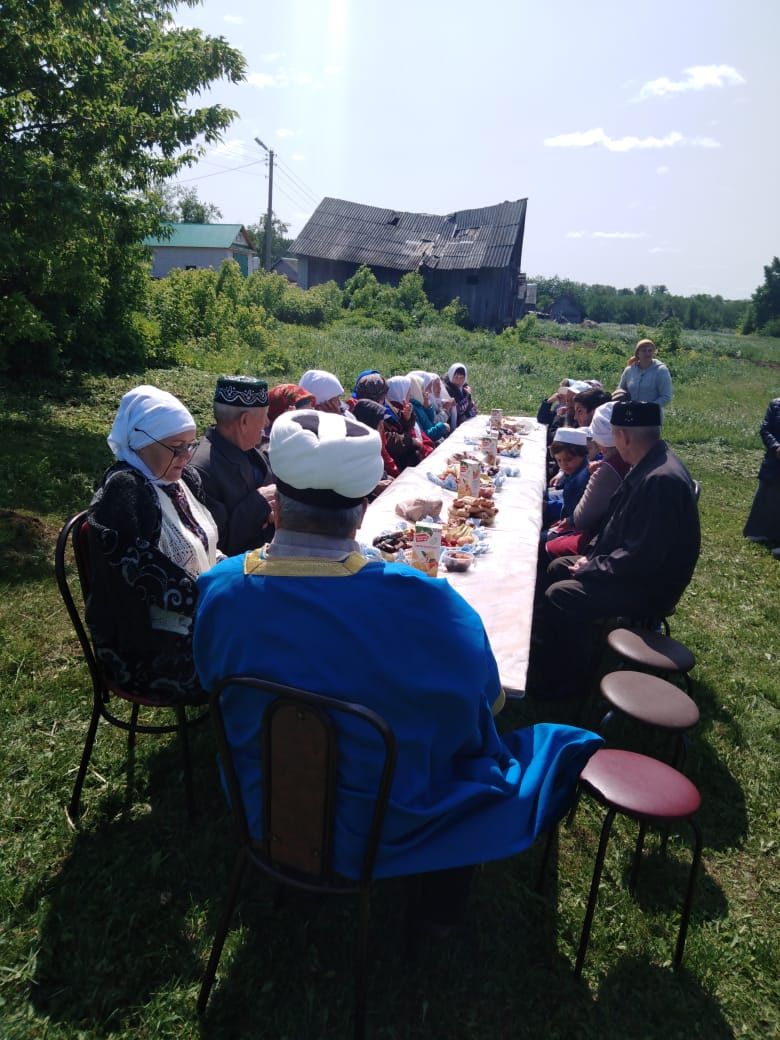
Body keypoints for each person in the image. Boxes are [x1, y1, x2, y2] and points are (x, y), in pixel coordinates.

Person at [193, 409, 602, 895]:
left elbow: (211, 684)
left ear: (275, 504)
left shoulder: (218, 590)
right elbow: (483, 711)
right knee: (528, 752)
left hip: (261, 806)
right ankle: (437, 909)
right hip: (384, 824)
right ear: (364, 510)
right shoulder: (428, 602)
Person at [536, 401, 700, 699]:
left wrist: (591, 567)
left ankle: (565, 681)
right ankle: (551, 650)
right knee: (556, 567)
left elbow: (644, 557)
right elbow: (623, 533)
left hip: (648, 588)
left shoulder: (661, 480)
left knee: (560, 594)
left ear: (623, 435)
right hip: (629, 568)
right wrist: (592, 558)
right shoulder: (652, 462)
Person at [86, 385, 220, 704]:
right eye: (176, 447)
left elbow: (205, 546)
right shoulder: (124, 492)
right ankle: (252, 738)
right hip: (142, 648)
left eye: (191, 445)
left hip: (190, 616)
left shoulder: (183, 480)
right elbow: (149, 579)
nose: (187, 457)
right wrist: (219, 600)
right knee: (250, 643)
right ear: (141, 443)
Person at [190, 376, 276, 557]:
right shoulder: (201, 469)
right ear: (244, 421)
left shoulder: (253, 450)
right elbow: (216, 540)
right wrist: (259, 503)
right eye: (264, 416)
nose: (267, 422)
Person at [545, 402, 631, 558]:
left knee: (543, 543)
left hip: (587, 533)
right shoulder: (606, 465)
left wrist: (568, 518)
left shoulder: (605, 470)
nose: (563, 465)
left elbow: (582, 518)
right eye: (559, 461)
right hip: (585, 526)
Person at [743, 397, 780, 557]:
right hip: (774, 460)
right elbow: (765, 429)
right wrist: (776, 447)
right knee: (766, 496)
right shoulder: (776, 404)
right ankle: (759, 533)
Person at [543, 428, 590, 529]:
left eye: (568, 459)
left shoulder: (582, 478)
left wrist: (549, 506)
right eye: (559, 460)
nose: (563, 464)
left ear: (582, 454)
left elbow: (571, 508)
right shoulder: (576, 470)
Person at [383, 375, 427, 471]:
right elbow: (388, 438)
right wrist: (412, 441)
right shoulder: (382, 410)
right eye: (408, 391)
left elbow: (406, 429)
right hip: (400, 461)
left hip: (409, 452)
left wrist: (407, 418)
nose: (410, 395)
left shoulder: (395, 408)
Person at [617, 338, 673, 409]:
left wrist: (647, 407)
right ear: (637, 353)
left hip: (651, 415)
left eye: (650, 351)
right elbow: (620, 391)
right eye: (644, 351)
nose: (647, 353)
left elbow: (666, 397)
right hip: (630, 413)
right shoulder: (629, 370)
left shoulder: (661, 370)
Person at [407, 372, 450, 443]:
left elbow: (430, 422)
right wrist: (442, 426)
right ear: (416, 389)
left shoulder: (420, 403)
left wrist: (427, 407)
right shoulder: (411, 408)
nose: (429, 391)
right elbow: (423, 435)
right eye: (423, 388)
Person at [443, 363, 477, 427]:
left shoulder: (464, 387)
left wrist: (468, 396)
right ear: (451, 375)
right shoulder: (446, 389)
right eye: (456, 377)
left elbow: (473, 410)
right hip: (450, 425)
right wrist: (468, 396)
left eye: (461, 378)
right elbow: (457, 411)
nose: (458, 381)